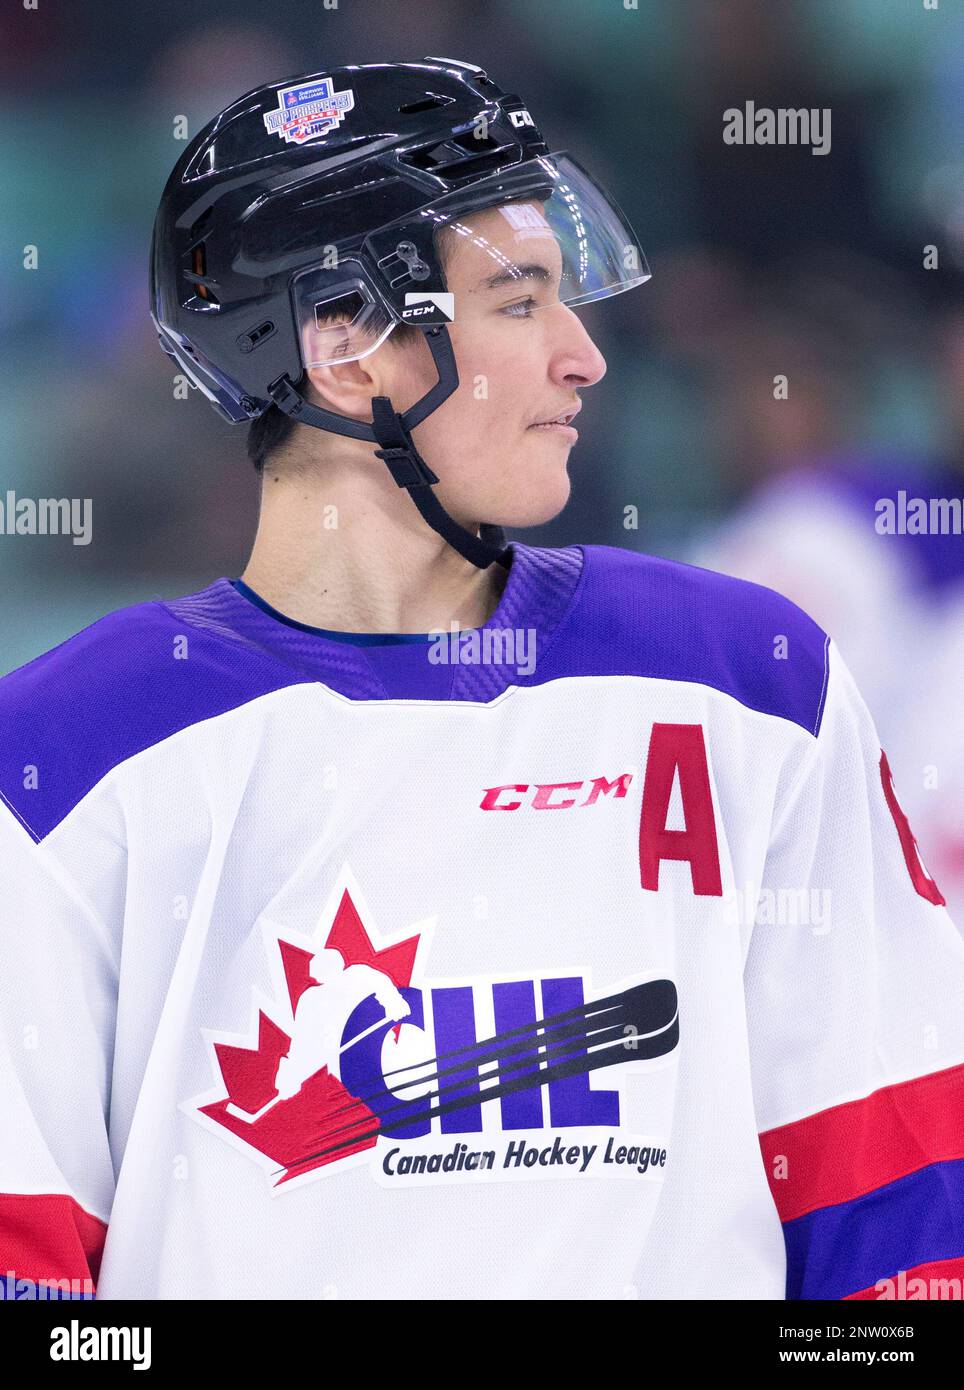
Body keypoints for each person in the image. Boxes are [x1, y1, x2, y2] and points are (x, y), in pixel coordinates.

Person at [1, 57, 962, 1302]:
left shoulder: (749, 680)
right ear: (344, 347)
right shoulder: (64, 754)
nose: (584, 358)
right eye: (519, 304)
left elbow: (891, 1215)